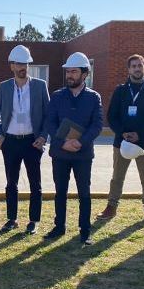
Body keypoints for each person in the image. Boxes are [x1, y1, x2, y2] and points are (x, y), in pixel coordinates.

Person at [98, 54, 144, 225]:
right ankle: (111, 208)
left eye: (139, 65)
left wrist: (140, 134)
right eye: (133, 66)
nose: (137, 68)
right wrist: (122, 133)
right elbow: (111, 116)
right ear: (128, 70)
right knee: (117, 177)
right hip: (123, 141)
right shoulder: (120, 90)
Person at [44, 52, 103, 245]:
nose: (69, 75)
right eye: (68, 71)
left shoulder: (94, 98)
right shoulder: (57, 96)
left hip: (83, 154)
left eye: (74, 72)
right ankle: (59, 226)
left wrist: (80, 142)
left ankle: (85, 230)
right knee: (60, 191)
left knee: (84, 193)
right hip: (60, 153)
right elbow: (50, 123)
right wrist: (63, 143)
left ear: (85, 74)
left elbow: (97, 125)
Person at [0, 45, 49, 234]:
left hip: (32, 142)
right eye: (19, 64)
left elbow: (49, 115)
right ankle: (12, 219)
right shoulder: (5, 87)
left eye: (26, 63)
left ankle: (34, 221)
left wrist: (42, 137)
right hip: (10, 142)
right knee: (11, 183)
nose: (23, 67)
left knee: (35, 183)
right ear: (12, 66)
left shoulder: (40, 86)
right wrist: (0, 136)